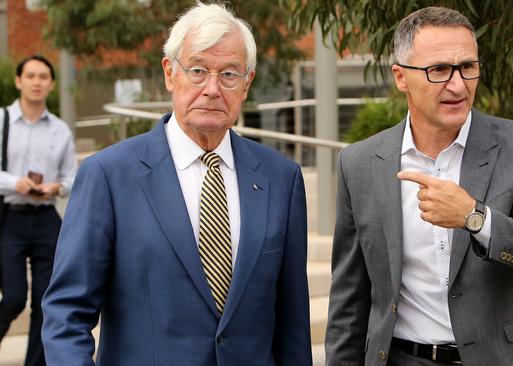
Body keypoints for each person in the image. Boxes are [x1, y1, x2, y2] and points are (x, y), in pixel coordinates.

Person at [41, 2, 311, 365]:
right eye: (198, 70)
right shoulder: (108, 175)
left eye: (229, 74)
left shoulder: (281, 179)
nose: (213, 88)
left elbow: (292, 324)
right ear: (170, 74)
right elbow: (66, 314)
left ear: (247, 83)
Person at [325, 6, 513, 366]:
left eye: (467, 67)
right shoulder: (359, 163)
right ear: (400, 76)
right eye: (439, 69)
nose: (457, 85)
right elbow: (350, 297)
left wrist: (475, 218)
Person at [0, 54, 77, 366]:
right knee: (15, 297)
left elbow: (72, 176)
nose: (36, 82)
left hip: (46, 218)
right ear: (19, 81)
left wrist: (56, 188)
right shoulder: (2, 120)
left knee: (47, 302)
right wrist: (13, 182)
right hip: (10, 218)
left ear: (51, 84)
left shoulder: (60, 130)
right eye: (30, 76)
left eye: (43, 77)